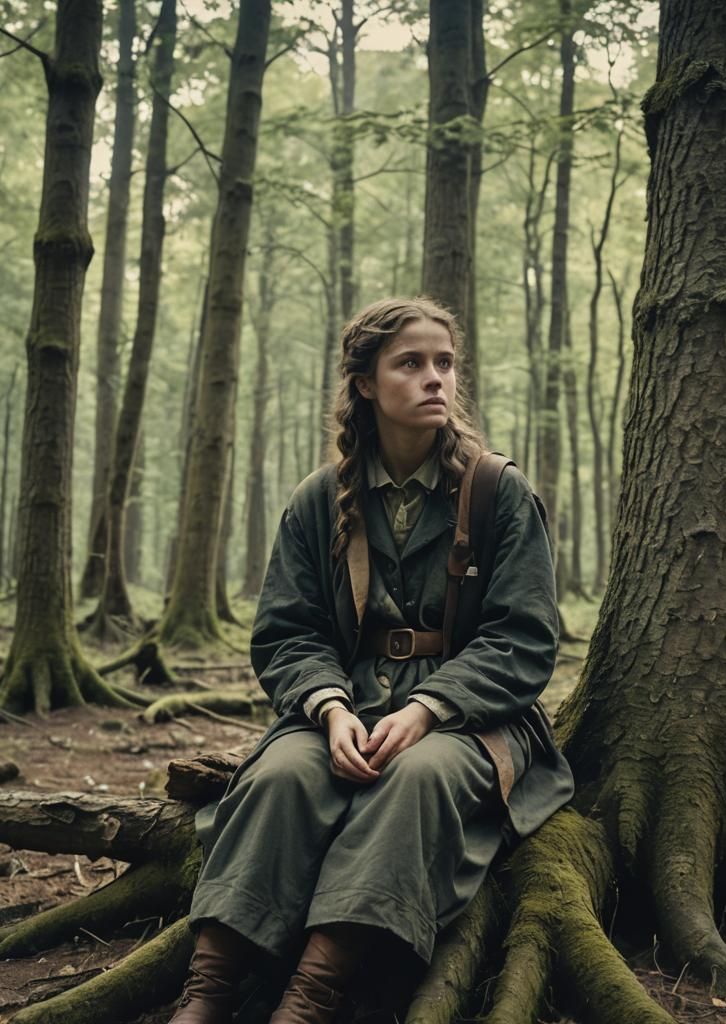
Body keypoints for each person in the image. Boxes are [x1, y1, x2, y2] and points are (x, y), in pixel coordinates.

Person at [170, 296, 573, 1024]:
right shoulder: (320, 501)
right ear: (365, 383)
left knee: (416, 779)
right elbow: (287, 632)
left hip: (475, 718)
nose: (434, 380)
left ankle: (311, 997)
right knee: (283, 776)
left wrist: (428, 708)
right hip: (342, 704)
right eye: (411, 363)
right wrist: (326, 708)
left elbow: (526, 638)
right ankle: (207, 991)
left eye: (445, 364)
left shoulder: (496, 492)